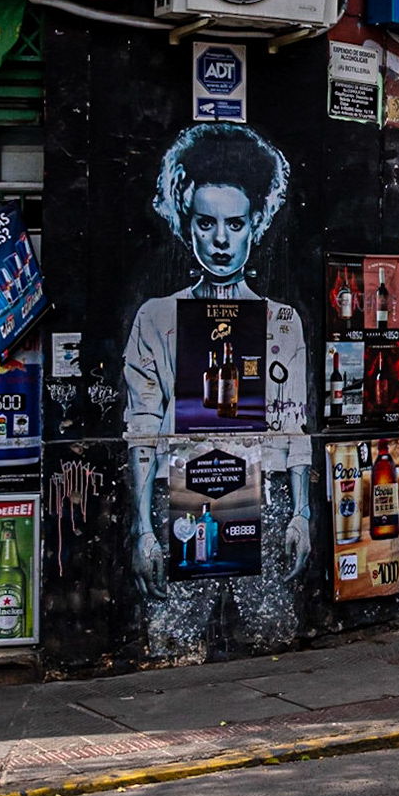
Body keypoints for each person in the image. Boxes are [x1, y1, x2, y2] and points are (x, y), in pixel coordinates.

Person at [124, 123, 290, 594]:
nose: (220, 240)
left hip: (261, 497)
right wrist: (142, 531)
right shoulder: (156, 318)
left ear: (257, 222)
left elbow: (292, 424)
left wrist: (298, 514)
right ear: (185, 220)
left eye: (234, 224)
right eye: (205, 222)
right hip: (172, 502)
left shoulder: (281, 321)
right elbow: (142, 424)